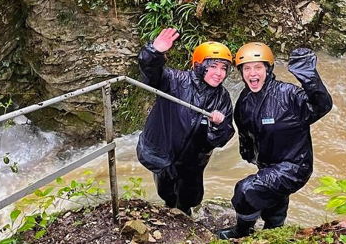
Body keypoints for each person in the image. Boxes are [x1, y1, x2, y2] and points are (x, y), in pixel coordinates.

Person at [217, 42, 333, 239]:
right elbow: (245, 134)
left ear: (268, 69)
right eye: (247, 68)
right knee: (274, 200)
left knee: (245, 190)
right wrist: (248, 153)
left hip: (295, 166)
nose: (252, 73)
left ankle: (243, 231)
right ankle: (274, 231)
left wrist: (308, 76)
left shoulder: (288, 94)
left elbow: (322, 105)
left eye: (258, 67)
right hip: (268, 165)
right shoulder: (244, 101)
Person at [136, 28, 235, 216]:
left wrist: (218, 126)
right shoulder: (175, 81)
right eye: (213, 66)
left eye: (223, 68)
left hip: (193, 161)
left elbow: (223, 138)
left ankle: (185, 218)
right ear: (198, 65)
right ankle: (169, 215)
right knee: (166, 193)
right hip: (163, 153)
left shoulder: (222, 98)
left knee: (190, 197)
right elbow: (151, 74)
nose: (219, 73)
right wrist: (154, 52)